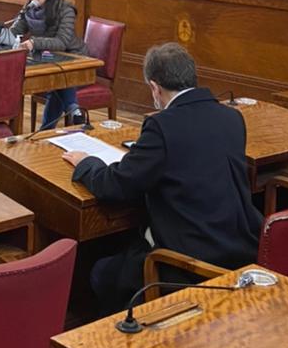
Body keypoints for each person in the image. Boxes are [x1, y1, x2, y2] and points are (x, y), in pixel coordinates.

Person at [62, 43, 262, 314]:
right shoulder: (232, 118)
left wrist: (87, 163)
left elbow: (116, 185)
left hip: (189, 261)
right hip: (240, 248)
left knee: (101, 272)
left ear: (155, 88)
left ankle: (118, 334)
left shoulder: (162, 126)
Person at [10, 0, 88, 128]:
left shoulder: (65, 9)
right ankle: (73, 110)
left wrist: (34, 42)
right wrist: (2, 34)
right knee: (57, 82)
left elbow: (62, 42)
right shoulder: (29, 9)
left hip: (73, 57)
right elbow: (15, 31)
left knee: (58, 83)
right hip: (48, 57)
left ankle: (47, 129)